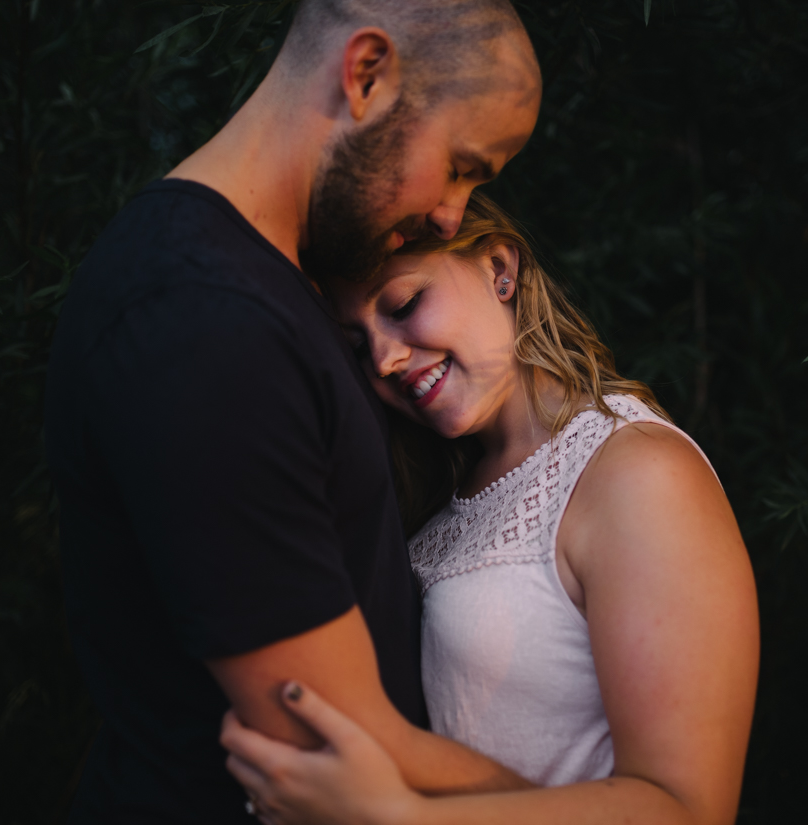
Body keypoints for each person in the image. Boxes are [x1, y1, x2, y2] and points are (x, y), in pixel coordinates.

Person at [42, 1, 542, 820]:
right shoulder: (203, 320)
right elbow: (338, 741)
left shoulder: (277, 288)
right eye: (460, 164)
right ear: (367, 72)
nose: (453, 215)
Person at [220, 193, 762, 824]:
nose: (386, 359)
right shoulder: (435, 498)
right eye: (358, 347)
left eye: (403, 305)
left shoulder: (637, 472)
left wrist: (395, 817)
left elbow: (687, 810)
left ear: (499, 268)